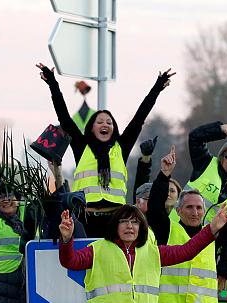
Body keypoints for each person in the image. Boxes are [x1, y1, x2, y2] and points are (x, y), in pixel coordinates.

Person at [36, 62, 175, 236]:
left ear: (114, 128)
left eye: (109, 122)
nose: (105, 125)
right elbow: (64, 117)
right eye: (100, 122)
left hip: (116, 219)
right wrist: (53, 84)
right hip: (85, 218)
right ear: (91, 128)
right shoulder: (81, 146)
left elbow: (139, 117)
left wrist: (157, 88)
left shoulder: (121, 147)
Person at [58, 203, 227, 303]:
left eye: (135, 222)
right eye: (123, 221)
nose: (129, 226)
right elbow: (70, 261)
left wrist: (211, 228)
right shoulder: (98, 249)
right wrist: (66, 240)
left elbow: (187, 251)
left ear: (142, 228)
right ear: (114, 225)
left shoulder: (153, 252)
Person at [147, 145, 227, 303]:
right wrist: (164, 175)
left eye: (199, 208)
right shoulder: (168, 229)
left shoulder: (211, 232)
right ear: (179, 210)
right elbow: (155, 207)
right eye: (189, 207)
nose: (195, 212)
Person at [181, 121, 227, 222]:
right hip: (175, 231)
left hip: (204, 237)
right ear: (222, 157)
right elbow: (195, 137)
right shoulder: (205, 163)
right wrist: (220, 130)